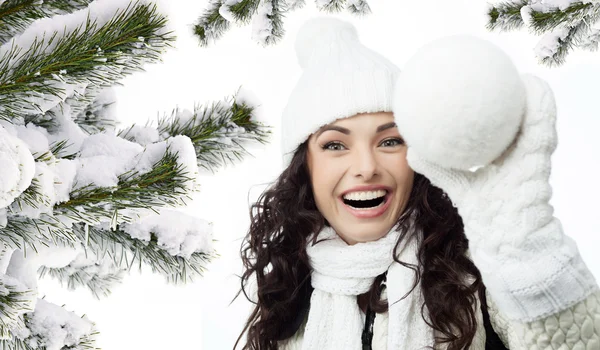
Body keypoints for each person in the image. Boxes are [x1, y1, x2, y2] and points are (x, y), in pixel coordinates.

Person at [234, 17, 600, 350]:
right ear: (304, 167)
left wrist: (528, 259)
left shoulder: (478, 270)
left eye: (390, 141)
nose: (366, 167)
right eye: (335, 145)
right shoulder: (285, 294)